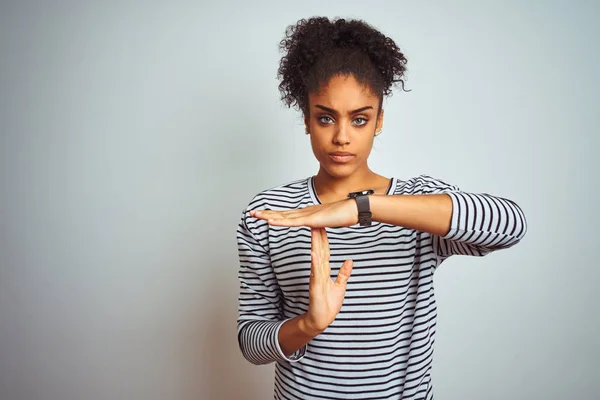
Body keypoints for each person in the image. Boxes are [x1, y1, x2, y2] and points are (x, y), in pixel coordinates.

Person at [236, 16, 527, 400]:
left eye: (359, 119)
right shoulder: (270, 213)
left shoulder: (414, 203)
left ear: (379, 121)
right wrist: (308, 325)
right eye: (325, 118)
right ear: (306, 119)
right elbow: (251, 341)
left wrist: (364, 208)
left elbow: (509, 225)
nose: (341, 137)